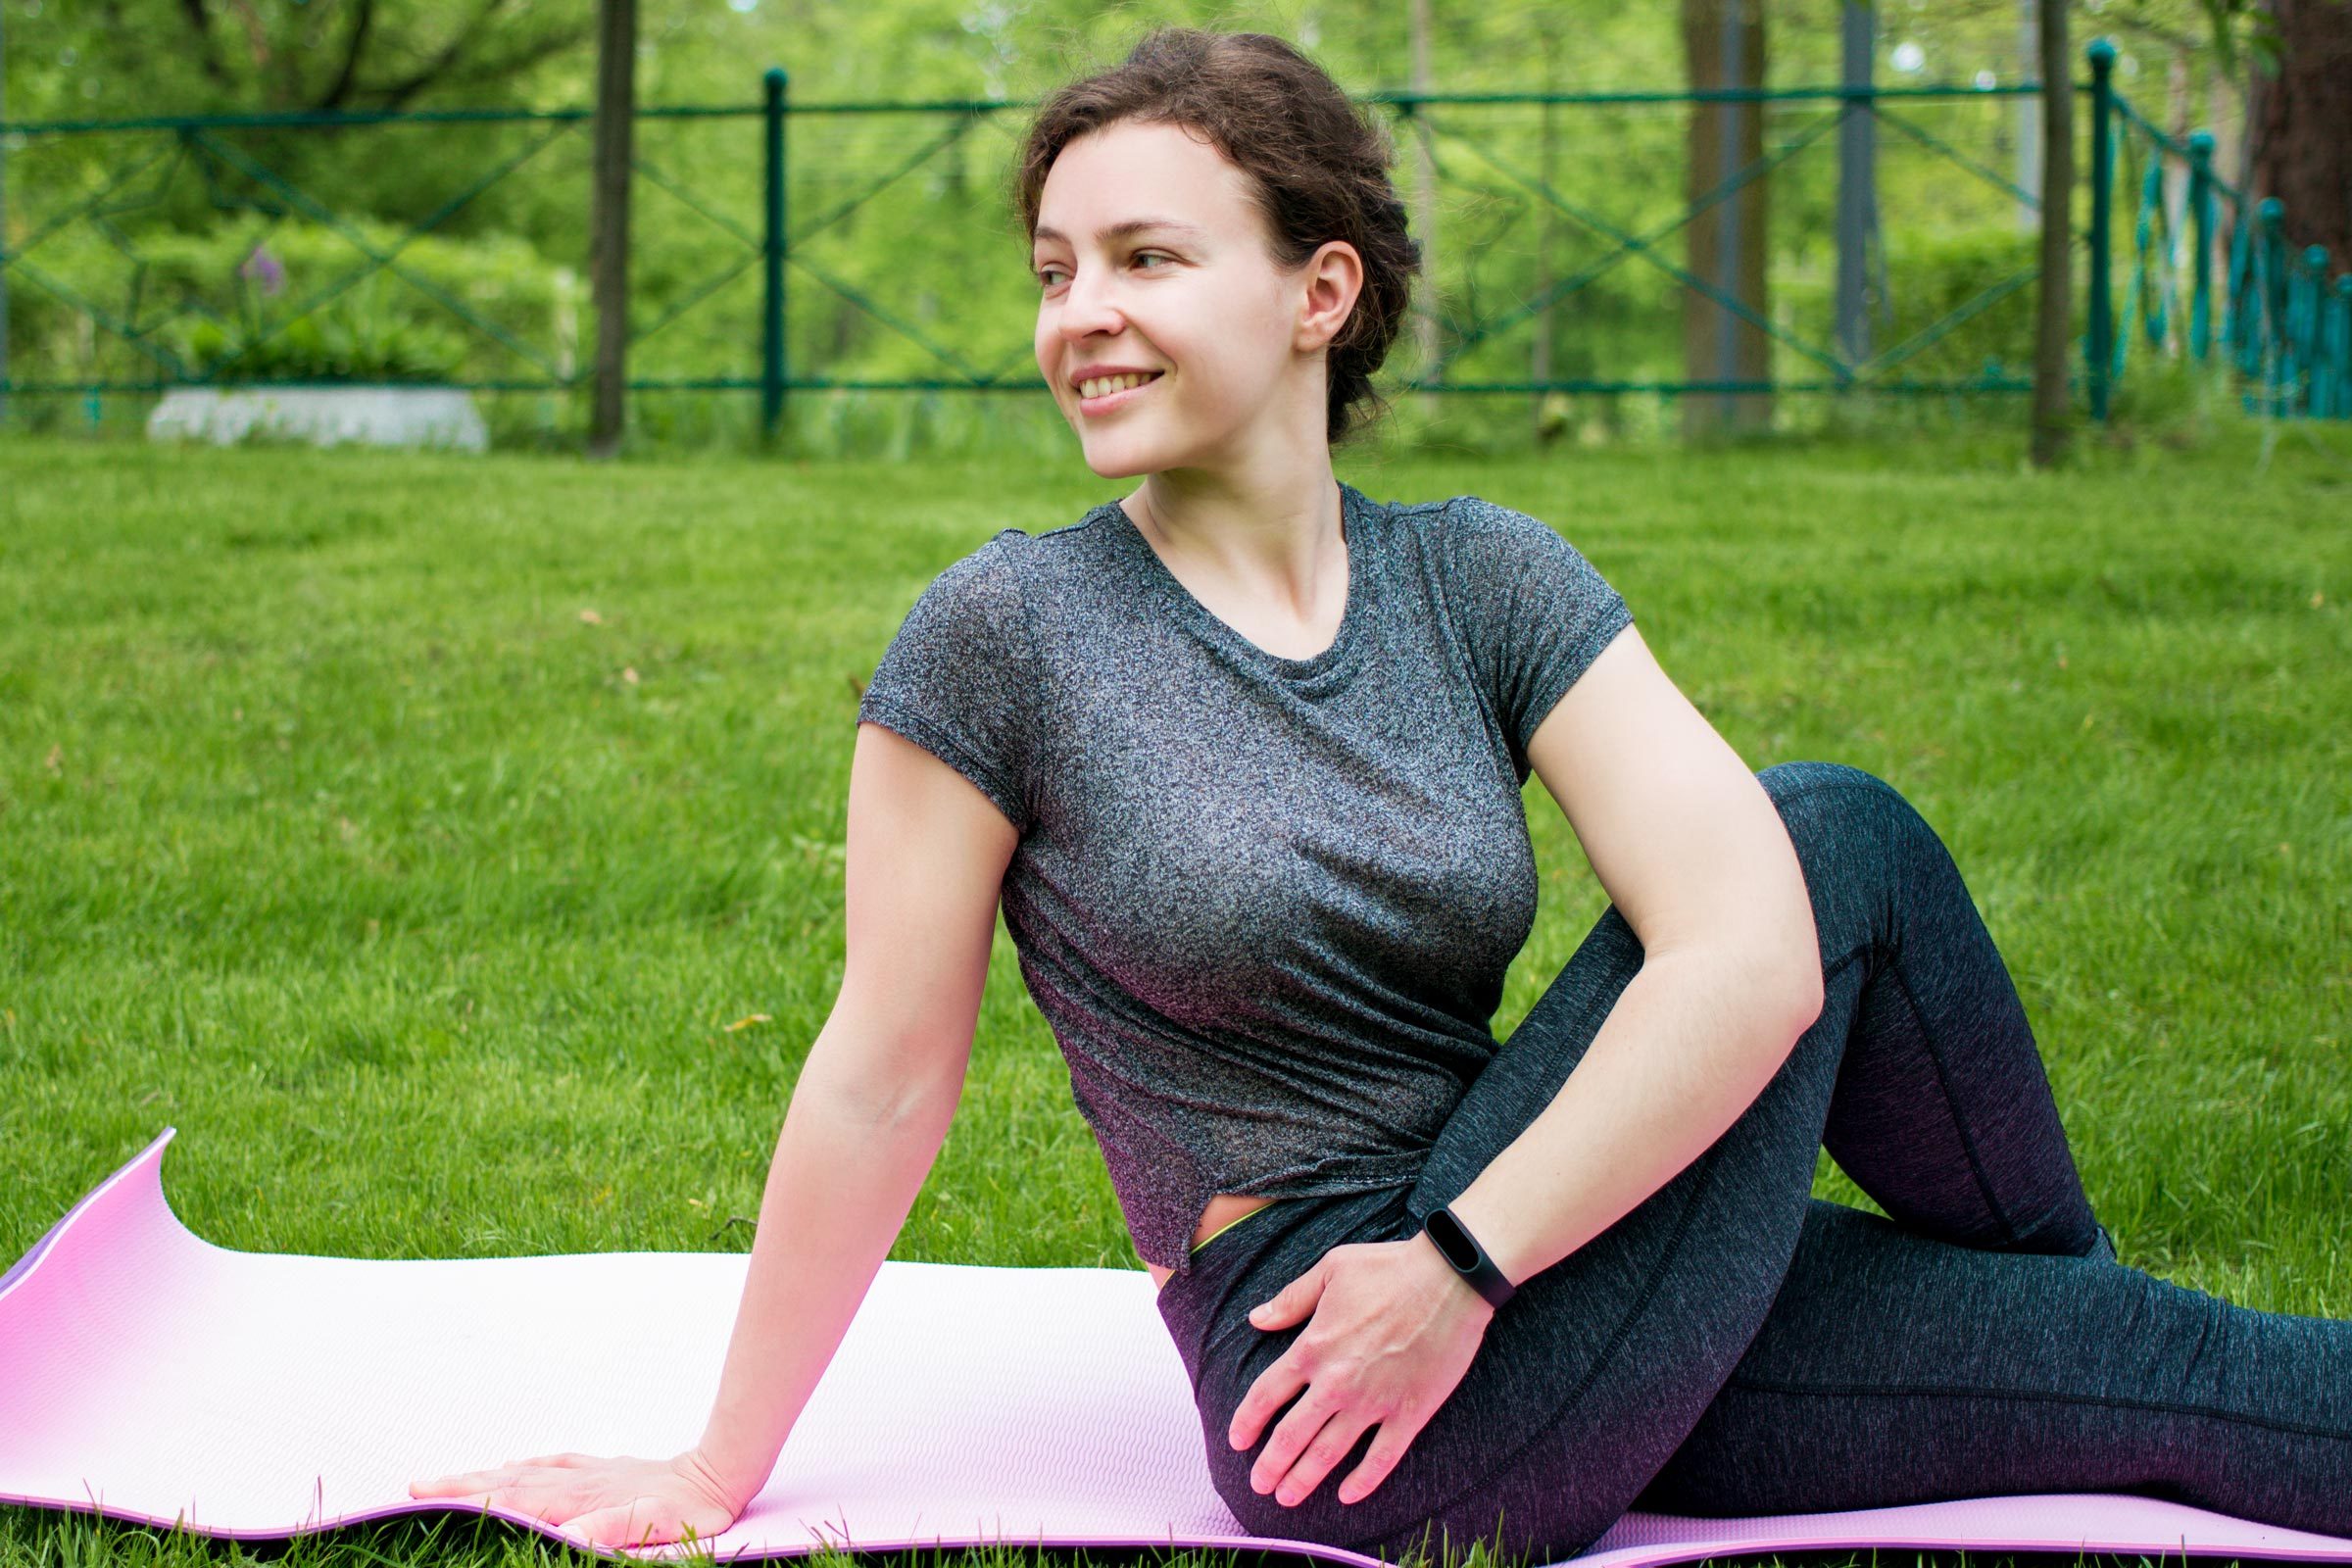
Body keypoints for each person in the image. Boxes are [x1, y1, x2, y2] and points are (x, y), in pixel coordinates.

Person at [411, 25, 2352, 1564]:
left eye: (1148, 259)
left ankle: (2052, 1298)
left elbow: (1747, 952)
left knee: (2167, 1358)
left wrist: (1470, 1253)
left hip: (1521, 1246)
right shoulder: (1004, 633)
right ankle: (2046, 1292)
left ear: (1318, 290)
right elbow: (880, 1067)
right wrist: (715, 1459)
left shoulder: (1480, 579)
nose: (1078, 312)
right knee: (1825, 829)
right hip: (1343, 1381)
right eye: (1054, 268)